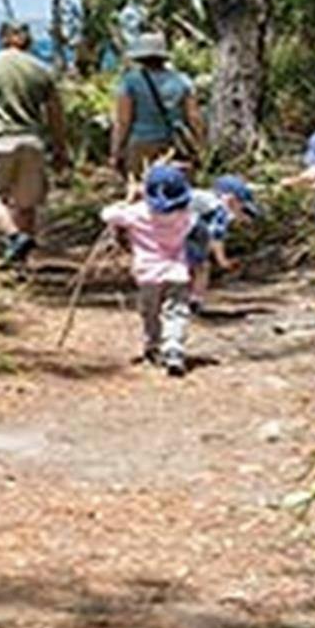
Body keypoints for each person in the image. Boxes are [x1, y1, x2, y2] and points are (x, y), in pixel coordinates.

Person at [0, 21, 70, 265]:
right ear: (28, 40)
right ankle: (21, 263)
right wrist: (60, 149)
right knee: (26, 204)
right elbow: (55, 115)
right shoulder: (42, 69)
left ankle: (14, 237)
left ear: (3, 38)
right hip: (33, 142)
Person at [101, 162, 198, 377]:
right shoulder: (185, 215)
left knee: (150, 313)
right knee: (176, 312)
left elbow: (107, 214)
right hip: (177, 272)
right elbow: (195, 220)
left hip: (147, 275)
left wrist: (129, 198)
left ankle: (153, 346)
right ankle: (173, 348)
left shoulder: (137, 213)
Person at [109, 32, 205, 188]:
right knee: (175, 190)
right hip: (173, 144)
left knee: (142, 191)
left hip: (141, 145)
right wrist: (200, 145)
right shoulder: (182, 80)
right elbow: (194, 117)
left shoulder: (130, 82)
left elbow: (123, 121)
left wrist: (116, 151)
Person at [184, 174, 258, 314]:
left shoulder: (204, 197)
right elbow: (216, 237)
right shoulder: (220, 209)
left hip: (168, 226)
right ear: (231, 200)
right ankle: (194, 300)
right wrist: (223, 261)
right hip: (186, 229)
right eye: (243, 209)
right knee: (202, 267)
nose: (242, 217)